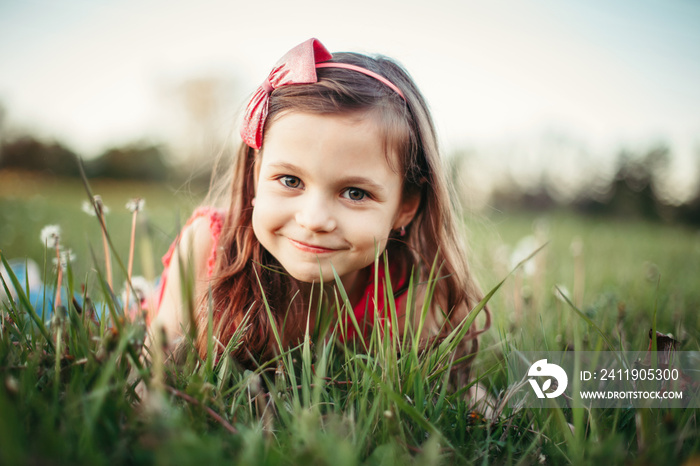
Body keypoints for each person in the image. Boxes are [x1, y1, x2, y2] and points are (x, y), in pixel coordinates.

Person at [149, 38, 490, 388]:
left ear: (405, 206)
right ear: (256, 175)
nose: (313, 219)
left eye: (355, 193)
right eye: (290, 180)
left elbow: (455, 387)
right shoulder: (211, 245)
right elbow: (150, 375)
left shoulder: (406, 289)